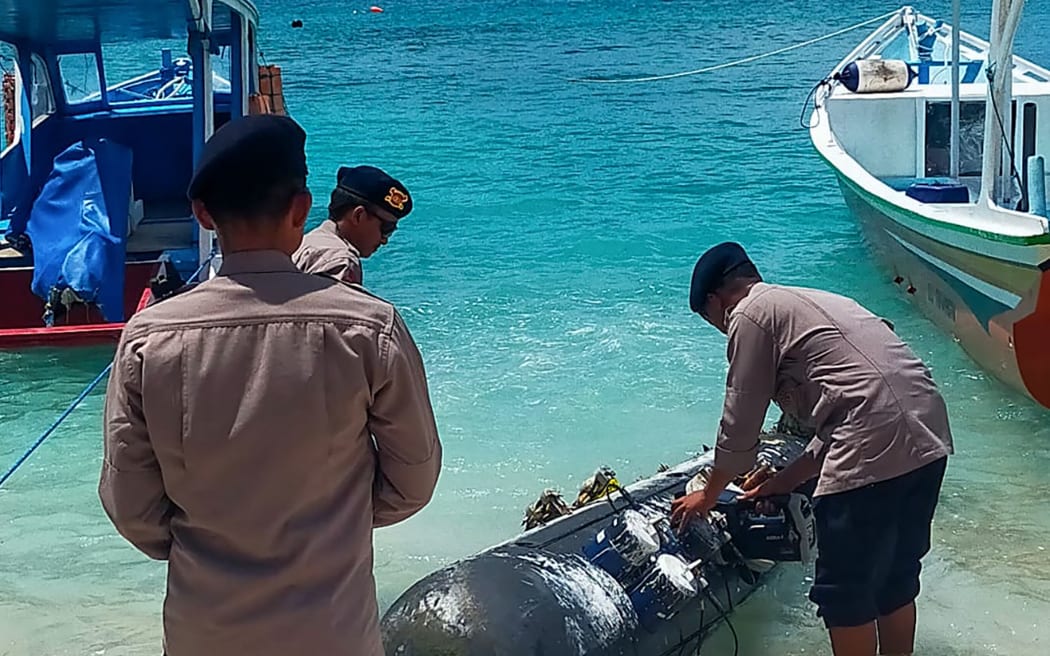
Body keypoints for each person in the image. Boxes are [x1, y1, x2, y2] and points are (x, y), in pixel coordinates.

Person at [99, 115, 441, 656]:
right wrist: (337, 521)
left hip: (204, 632)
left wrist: (210, 544)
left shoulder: (147, 339)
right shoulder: (369, 329)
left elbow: (131, 507)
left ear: (203, 214)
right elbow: (414, 480)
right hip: (333, 630)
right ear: (301, 210)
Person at [670, 242, 953, 656]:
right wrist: (781, 482)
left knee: (844, 595)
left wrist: (708, 496)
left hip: (872, 442)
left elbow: (739, 423)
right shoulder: (814, 301)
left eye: (710, 319)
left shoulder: (749, 314)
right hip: (927, 436)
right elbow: (856, 405)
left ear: (716, 301)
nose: (718, 328)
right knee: (896, 580)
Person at [292, 165, 412, 285]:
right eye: (386, 228)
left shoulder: (306, 242)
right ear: (358, 216)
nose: (384, 240)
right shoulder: (341, 262)